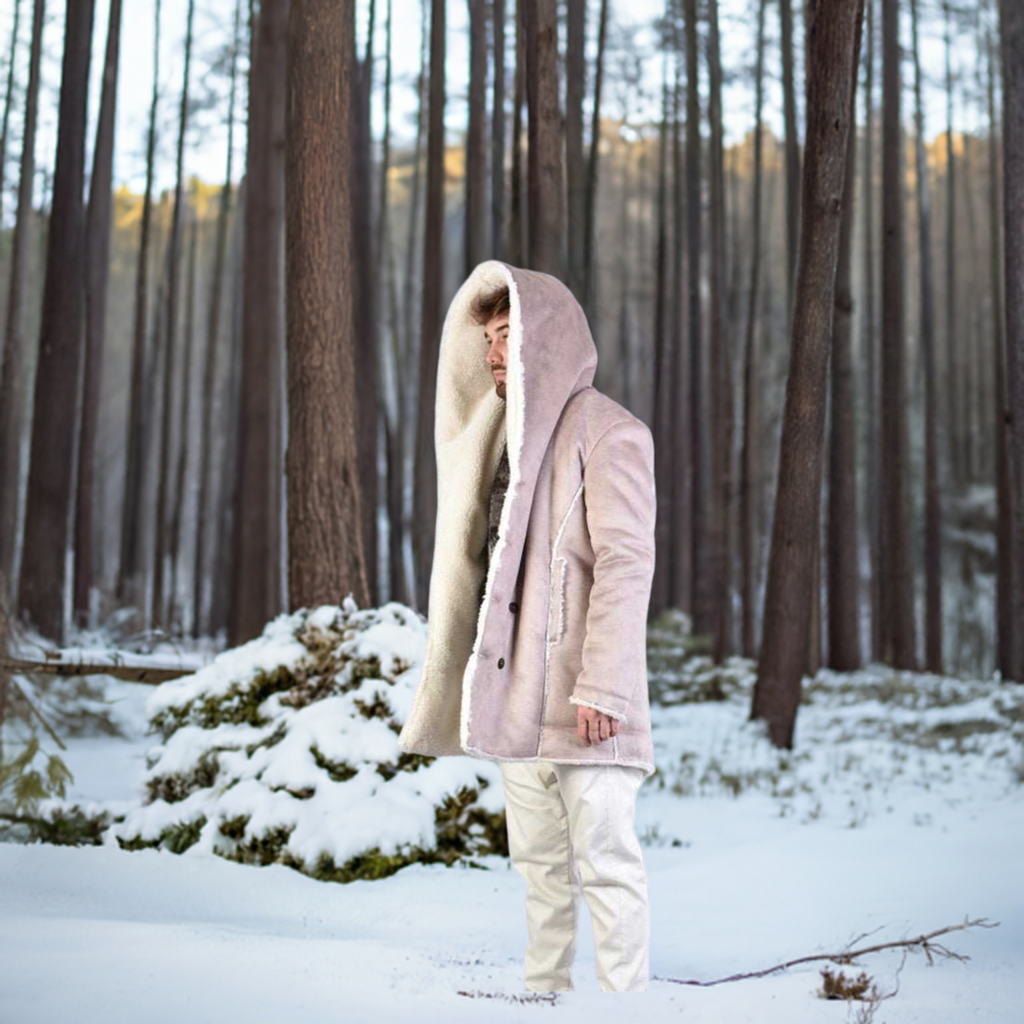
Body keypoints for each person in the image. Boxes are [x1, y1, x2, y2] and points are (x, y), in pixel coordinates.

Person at [398, 262, 657, 992]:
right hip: (519, 702)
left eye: (507, 335)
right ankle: (544, 998)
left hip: (588, 706)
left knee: (607, 867)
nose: (492, 354)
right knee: (539, 871)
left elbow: (627, 562)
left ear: (546, 338)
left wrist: (604, 689)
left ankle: (624, 1009)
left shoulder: (609, 432)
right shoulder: (500, 440)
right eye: (487, 340)